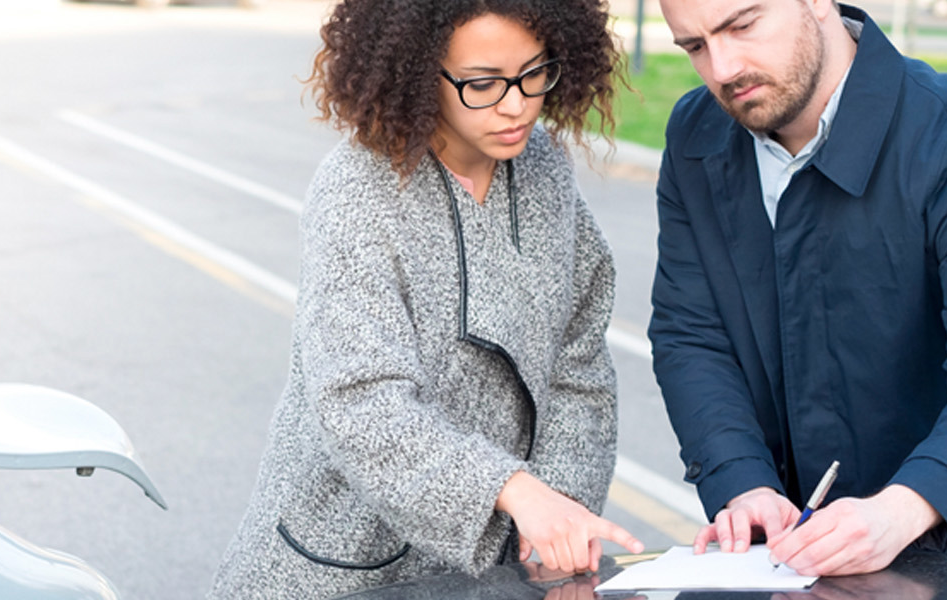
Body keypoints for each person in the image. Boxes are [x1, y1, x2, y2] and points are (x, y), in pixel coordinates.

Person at [211, 0, 644, 596]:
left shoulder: (544, 167)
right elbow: (361, 401)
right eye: (482, 84)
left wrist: (559, 506)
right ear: (418, 71)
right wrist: (514, 490)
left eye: (535, 72)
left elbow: (579, 356)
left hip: (502, 564)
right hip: (341, 560)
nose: (517, 104)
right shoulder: (357, 191)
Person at [650, 0, 947, 578]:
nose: (722, 69)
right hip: (788, 566)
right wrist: (741, 482)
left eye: (741, 26)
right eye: (693, 46)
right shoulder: (695, 134)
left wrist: (904, 508)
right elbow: (691, 336)